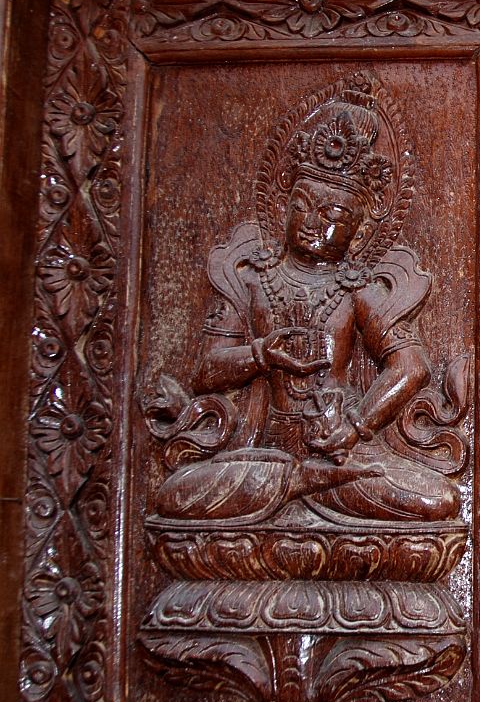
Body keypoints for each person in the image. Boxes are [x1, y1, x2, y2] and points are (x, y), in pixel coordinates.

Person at [154, 79, 459, 524]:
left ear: (359, 229)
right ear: (285, 207)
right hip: (260, 452)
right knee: (176, 495)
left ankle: (304, 484)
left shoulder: (355, 289)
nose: (314, 224)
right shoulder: (254, 278)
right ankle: (295, 483)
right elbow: (206, 371)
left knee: (438, 500)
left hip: (338, 454)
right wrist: (262, 353)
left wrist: (356, 424)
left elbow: (411, 366)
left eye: (334, 217)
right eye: (303, 207)